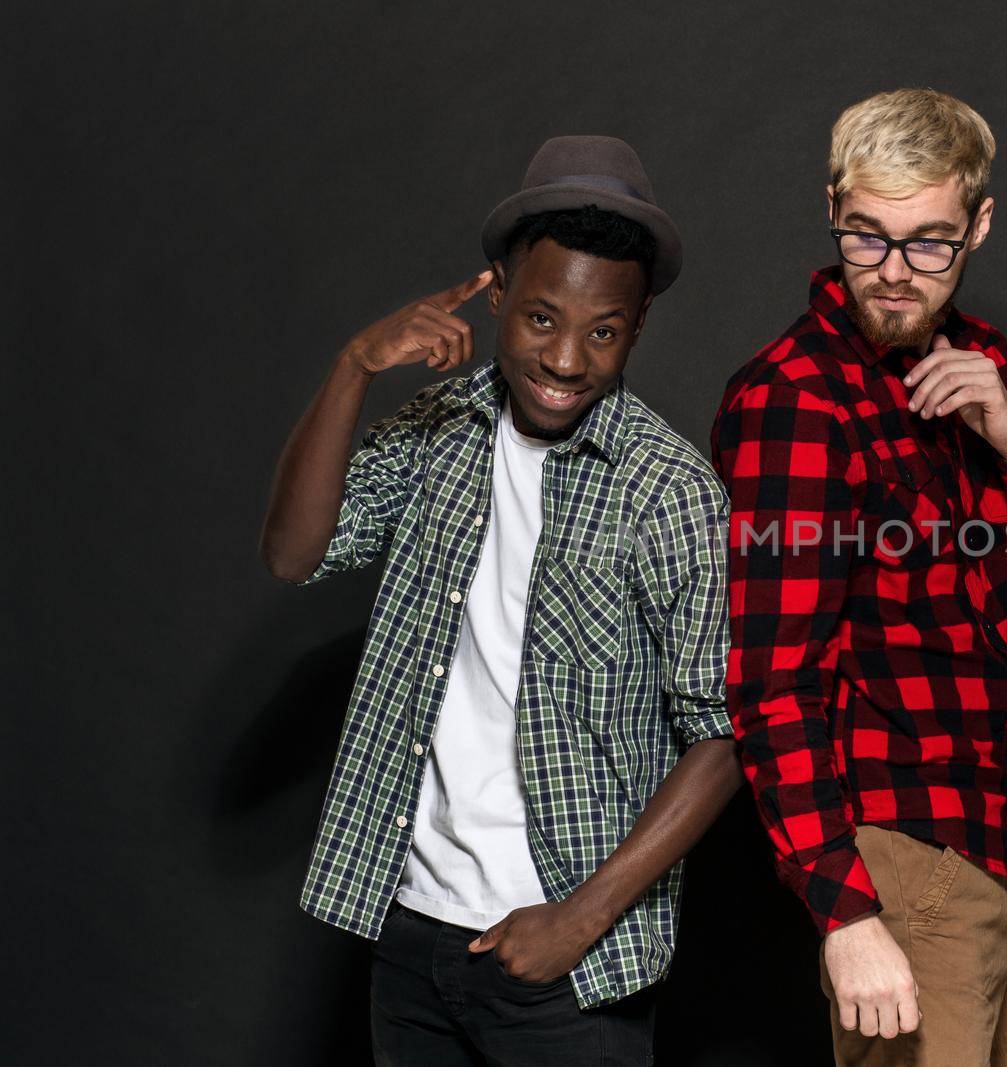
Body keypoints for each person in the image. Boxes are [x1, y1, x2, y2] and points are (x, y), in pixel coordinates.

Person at [260, 135, 742, 1065]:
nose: (566, 357)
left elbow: (721, 736)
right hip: (408, 928)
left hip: (565, 960)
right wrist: (354, 367)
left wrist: (578, 920)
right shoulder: (437, 432)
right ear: (497, 294)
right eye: (540, 319)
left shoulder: (669, 491)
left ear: (637, 329)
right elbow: (293, 553)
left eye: (602, 330)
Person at [710, 89, 1007, 1066]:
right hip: (896, 857)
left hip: (1004, 846)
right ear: (833, 207)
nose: (893, 273)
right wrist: (845, 910)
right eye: (867, 237)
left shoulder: (981, 366)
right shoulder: (792, 402)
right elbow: (771, 679)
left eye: (928, 242)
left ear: (978, 223)